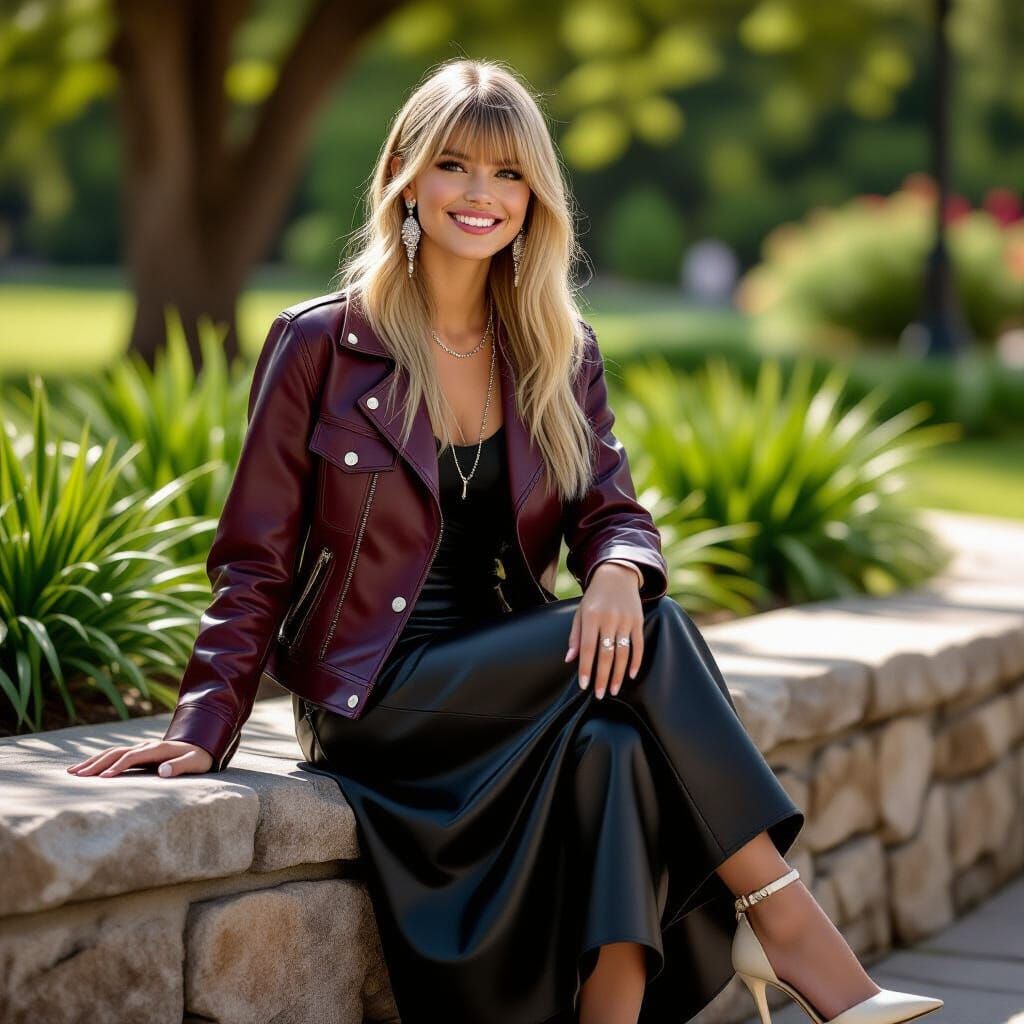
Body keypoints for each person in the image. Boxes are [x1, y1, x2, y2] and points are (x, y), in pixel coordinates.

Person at [67, 58, 943, 1024]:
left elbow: (615, 511)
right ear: (405, 173)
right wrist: (202, 725)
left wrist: (615, 570)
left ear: (536, 196)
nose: (482, 195)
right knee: (652, 641)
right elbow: (255, 558)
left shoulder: (557, 351)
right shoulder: (321, 344)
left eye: (510, 174)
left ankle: (617, 1009)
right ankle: (792, 931)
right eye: (456, 166)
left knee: (613, 733)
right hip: (376, 688)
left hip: (516, 676)